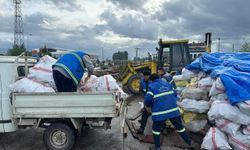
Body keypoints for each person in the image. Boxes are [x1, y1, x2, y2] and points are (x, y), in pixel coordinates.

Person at [145, 73, 192, 150]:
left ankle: (157, 147)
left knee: (156, 130)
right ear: (159, 78)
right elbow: (175, 93)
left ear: (152, 80)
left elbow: (147, 100)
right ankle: (189, 143)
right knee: (180, 127)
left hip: (160, 113)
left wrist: (152, 103)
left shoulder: (152, 86)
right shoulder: (168, 84)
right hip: (173, 111)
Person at [137, 70, 151, 134]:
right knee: (145, 112)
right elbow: (140, 90)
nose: (144, 77)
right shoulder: (142, 81)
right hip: (146, 99)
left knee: (159, 113)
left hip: (153, 100)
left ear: (149, 76)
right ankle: (142, 128)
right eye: (144, 76)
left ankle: (163, 127)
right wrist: (143, 96)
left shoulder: (152, 81)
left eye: (146, 76)